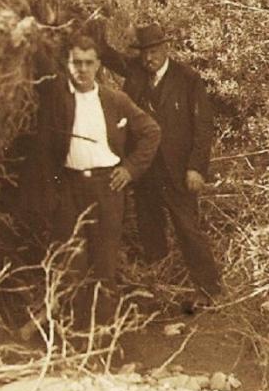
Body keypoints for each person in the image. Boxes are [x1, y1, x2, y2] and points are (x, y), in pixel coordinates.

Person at [98, 23, 222, 307]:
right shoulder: (137, 73)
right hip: (145, 169)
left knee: (188, 228)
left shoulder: (188, 79)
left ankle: (210, 288)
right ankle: (160, 288)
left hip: (178, 170)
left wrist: (196, 168)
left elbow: (204, 127)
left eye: (153, 52)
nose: (148, 59)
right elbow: (109, 56)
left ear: (165, 48)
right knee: (149, 226)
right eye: (143, 53)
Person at [34, 34, 160, 304]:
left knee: (105, 264)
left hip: (108, 188)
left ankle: (104, 336)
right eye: (76, 63)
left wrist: (130, 169)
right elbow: (44, 149)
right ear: (67, 65)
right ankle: (75, 337)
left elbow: (151, 131)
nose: (82, 69)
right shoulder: (58, 99)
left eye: (88, 63)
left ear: (99, 65)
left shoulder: (115, 100)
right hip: (69, 187)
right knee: (70, 263)